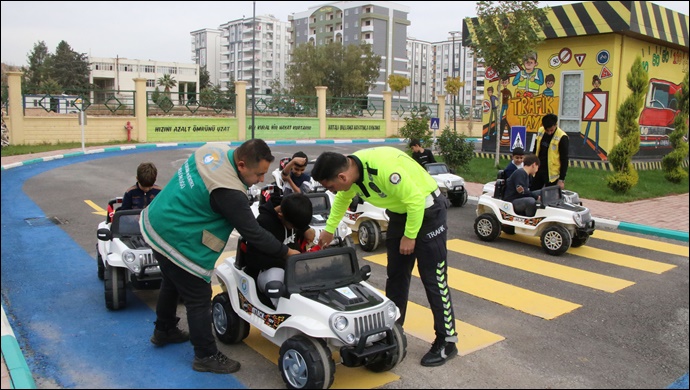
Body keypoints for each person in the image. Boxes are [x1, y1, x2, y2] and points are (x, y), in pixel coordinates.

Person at [139, 139, 300, 374]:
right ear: (242, 165)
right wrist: (286, 252)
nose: (261, 180)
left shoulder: (214, 149)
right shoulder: (229, 191)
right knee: (198, 297)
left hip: (157, 219)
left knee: (172, 281)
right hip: (175, 237)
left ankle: (163, 330)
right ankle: (205, 355)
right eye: (259, 174)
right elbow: (253, 233)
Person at [310, 147, 458, 367]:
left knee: (433, 279)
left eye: (330, 187)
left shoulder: (384, 171)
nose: (331, 191)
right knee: (396, 275)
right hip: (400, 213)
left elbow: (416, 200)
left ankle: (447, 340)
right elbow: (342, 198)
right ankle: (393, 330)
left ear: (342, 177)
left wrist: (410, 236)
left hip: (427, 212)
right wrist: (329, 229)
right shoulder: (351, 174)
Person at [245, 192, 315, 306]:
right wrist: (286, 259)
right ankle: (282, 312)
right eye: (294, 227)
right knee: (277, 278)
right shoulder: (264, 223)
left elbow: (296, 219)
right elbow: (253, 259)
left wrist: (306, 229)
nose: (296, 229)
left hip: (293, 267)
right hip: (268, 271)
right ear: (280, 215)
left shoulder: (290, 212)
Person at [530, 113, 569, 191]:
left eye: (551, 130)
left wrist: (561, 179)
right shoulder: (541, 130)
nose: (549, 133)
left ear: (555, 125)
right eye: (547, 130)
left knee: (550, 198)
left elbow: (564, 159)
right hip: (538, 169)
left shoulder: (562, 137)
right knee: (533, 192)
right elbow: (536, 149)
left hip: (552, 174)